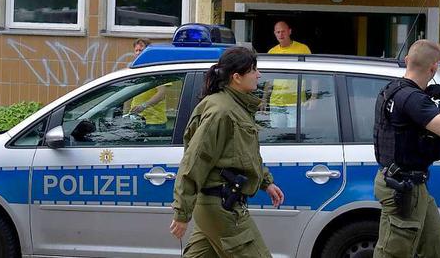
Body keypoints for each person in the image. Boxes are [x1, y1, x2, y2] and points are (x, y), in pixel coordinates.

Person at [170, 47, 285, 258]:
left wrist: (266, 182)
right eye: (253, 70)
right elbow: (195, 161)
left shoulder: (235, 106)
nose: (258, 75)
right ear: (236, 77)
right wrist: (181, 213)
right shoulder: (222, 112)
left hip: (218, 205)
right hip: (222, 206)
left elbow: (243, 153)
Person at [373, 39, 440, 258]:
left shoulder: (391, 90)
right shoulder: (412, 98)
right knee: (393, 253)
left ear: (407, 60)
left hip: (411, 185)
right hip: (403, 188)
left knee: (438, 250)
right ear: (433, 69)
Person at [265, 21, 311, 129]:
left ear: (290, 31)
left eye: (283, 31)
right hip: (276, 102)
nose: (281, 34)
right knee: (276, 136)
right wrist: (264, 99)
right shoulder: (272, 52)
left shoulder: (303, 49)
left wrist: (313, 97)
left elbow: (314, 73)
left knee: (294, 137)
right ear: (275, 33)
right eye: (278, 32)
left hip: (296, 102)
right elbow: (269, 79)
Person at [128, 38, 168, 130]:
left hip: (154, 121)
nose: (138, 53)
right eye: (136, 50)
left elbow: (161, 94)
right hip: (137, 119)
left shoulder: (156, 69)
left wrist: (143, 106)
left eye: (141, 50)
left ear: (147, 52)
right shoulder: (137, 69)